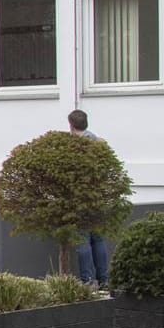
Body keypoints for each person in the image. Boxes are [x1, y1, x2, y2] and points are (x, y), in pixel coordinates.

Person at [67, 109, 110, 289]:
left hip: (82, 199)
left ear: (71, 124)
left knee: (83, 239)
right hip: (98, 199)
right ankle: (104, 280)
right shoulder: (99, 143)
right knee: (98, 239)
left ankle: (87, 281)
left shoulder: (75, 146)